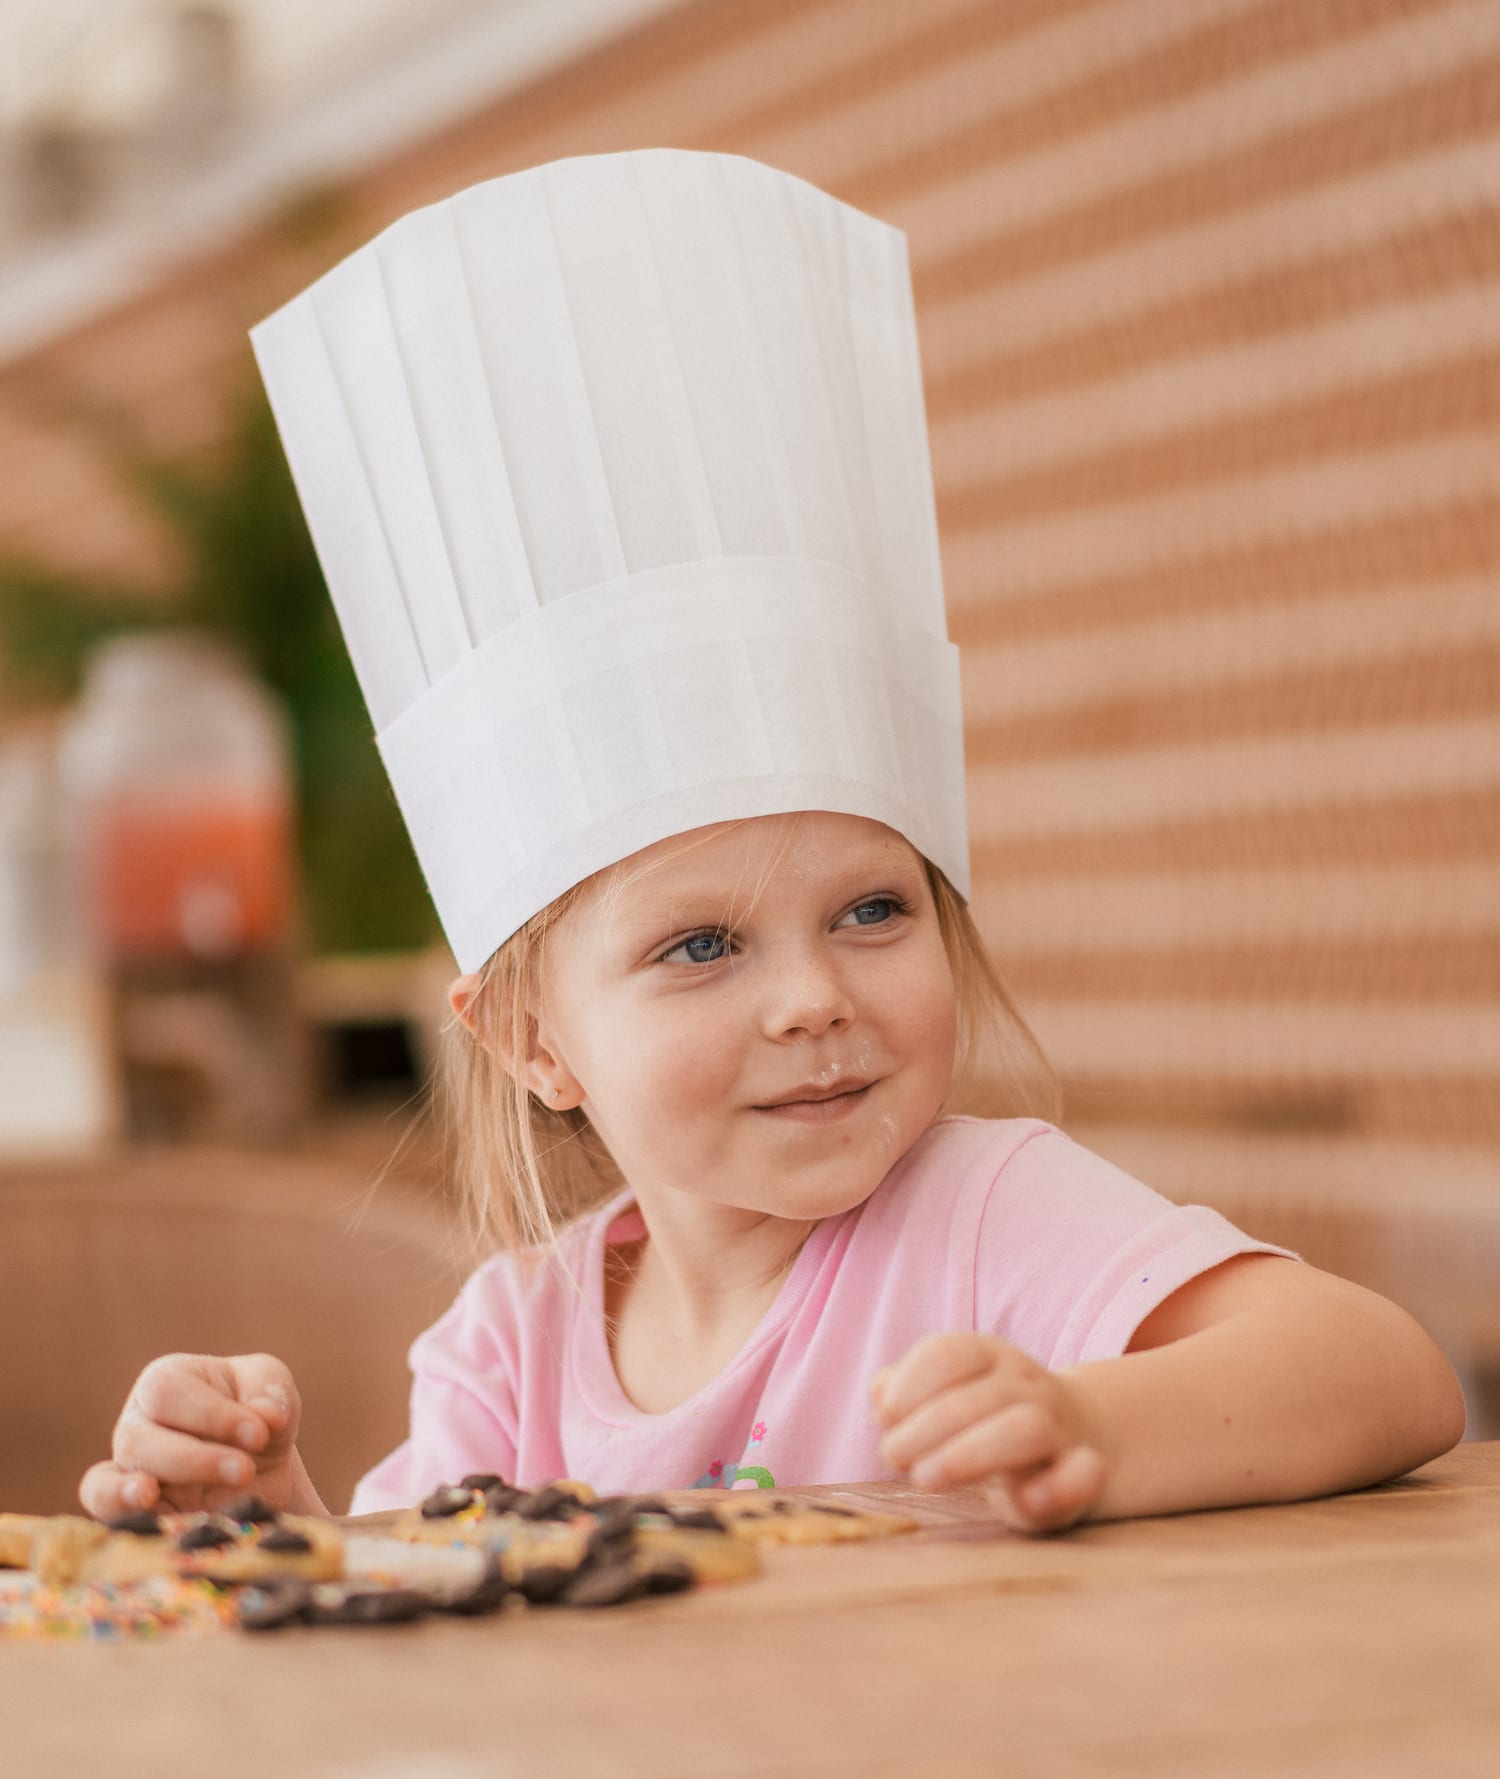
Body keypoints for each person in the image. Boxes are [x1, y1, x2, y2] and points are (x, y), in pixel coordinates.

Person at [81, 152, 1464, 1535]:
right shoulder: (508, 1353)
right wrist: (262, 1515)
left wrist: (1095, 1423)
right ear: (529, 1040)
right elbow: (434, 1635)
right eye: (701, 944)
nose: (815, 999)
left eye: (873, 910)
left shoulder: (983, 1216)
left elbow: (1388, 1376)